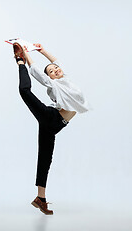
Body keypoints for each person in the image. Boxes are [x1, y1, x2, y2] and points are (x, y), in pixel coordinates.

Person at [13, 42, 90, 215]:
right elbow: (37, 72)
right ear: (50, 78)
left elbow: (57, 61)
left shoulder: (66, 80)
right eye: (51, 71)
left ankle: (41, 199)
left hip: (55, 126)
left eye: (56, 68)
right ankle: (19, 62)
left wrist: (42, 51)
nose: (55, 70)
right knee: (25, 91)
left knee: (45, 160)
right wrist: (25, 55)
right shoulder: (55, 85)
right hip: (50, 117)